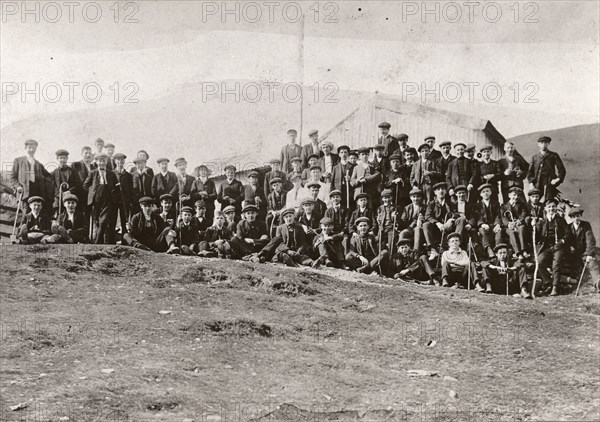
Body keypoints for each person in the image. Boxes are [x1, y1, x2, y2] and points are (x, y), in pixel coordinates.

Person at [533, 198, 570, 296]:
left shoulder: (561, 220)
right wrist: (534, 226)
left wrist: (561, 242)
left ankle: (555, 287)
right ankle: (547, 282)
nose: (551, 209)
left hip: (559, 247)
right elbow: (537, 237)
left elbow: (568, 234)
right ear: (545, 208)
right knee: (539, 261)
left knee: (556, 265)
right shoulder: (542, 222)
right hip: (547, 248)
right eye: (549, 207)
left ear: (556, 207)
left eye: (553, 206)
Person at [83, 153, 119, 244]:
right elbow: (85, 185)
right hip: (96, 199)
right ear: (96, 162)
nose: (102, 163)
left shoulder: (111, 173)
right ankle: (101, 241)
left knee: (103, 221)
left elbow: (116, 185)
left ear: (106, 162)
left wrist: (114, 193)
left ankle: (97, 242)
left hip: (108, 199)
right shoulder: (92, 173)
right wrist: (93, 193)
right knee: (97, 221)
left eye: (103, 161)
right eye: (100, 161)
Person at [422, 182, 463, 259]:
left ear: (446, 191)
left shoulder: (450, 202)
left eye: (443, 189)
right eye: (438, 189)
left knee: (461, 219)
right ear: (435, 192)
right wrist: (437, 223)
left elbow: (456, 213)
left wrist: (451, 219)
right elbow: (428, 216)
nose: (441, 191)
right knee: (425, 224)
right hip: (436, 229)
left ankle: (455, 245)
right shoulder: (432, 204)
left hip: (449, 228)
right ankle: (433, 250)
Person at [9, 139, 53, 210]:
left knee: (37, 215)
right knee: (26, 215)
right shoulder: (18, 161)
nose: (31, 150)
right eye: (29, 148)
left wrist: (44, 185)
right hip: (24, 193)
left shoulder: (38, 164)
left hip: (37, 193)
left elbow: (49, 176)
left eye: (34, 148)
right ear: (25, 148)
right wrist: (17, 187)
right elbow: (12, 177)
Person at [567, 208, 600, 291]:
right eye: (574, 217)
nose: (576, 218)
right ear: (571, 218)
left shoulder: (586, 225)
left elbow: (590, 240)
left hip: (585, 252)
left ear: (580, 216)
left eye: (578, 216)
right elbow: (566, 240)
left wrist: (588, 254)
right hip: (573, 254)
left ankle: (598, 283)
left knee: (592, 264)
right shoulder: (568, 227)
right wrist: (569, 247)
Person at [527, 136, 566, 202]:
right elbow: (530, 172)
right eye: (542, 142)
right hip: (537, 184)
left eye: (546, 142)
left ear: (548, 144)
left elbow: (562, 169)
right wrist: (531, 183)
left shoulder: (553, 155)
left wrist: (557, 179)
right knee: (532, 203)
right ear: (538, 144)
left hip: (549, 184)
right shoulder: (534, 157)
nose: (544, 144)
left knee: (549, 202)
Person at [473, 183, 503, 258]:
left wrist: (497, 224)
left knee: (499, 231)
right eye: (483, 192)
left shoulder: (495, 203)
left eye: (487, 191)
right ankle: (488, 249)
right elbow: (477, 216)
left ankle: (498, 249)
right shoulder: (478, 205)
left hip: (493, 224)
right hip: (484, 225)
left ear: (490, 192)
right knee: (482, 231)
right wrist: (482, 224)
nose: (485, 193)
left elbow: (498, 215)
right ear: (480, 194)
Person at [51, 149, 81, 215]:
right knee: (58, 215)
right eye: (60, 158)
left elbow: (78, 185)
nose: (62, 160)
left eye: (64, 158)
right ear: (57, 159)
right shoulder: (53, 173)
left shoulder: (73, 171)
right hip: (58, 199)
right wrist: (60, 193)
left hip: (70, 198)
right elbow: (52, 187)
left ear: (67, 159)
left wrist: (70, 191)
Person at [501, 186, 528, 257]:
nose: (516, 197)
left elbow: (523, 214)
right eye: (514, 195)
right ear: (509, 195)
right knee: (512, 232)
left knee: (521, 229)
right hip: (509, 226)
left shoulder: (521, 205)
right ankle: (518, 253)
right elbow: (503, 217)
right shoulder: (504, 206)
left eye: (518, 195)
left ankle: (524, 250)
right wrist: (508, 224)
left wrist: (518, 222)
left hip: (518, 224)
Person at [112, 153, 134, 236]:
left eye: (122, 160)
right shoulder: (111, 173)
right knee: (113, 220)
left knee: (124, 220)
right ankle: (113, 240)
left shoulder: (128, 175)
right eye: (118, 159)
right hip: (114, 201)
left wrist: (130, 201)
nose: (120, 161)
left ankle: (125, 240)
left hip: (125, 201)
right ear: (115, 161)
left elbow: (130, 189)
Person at [399, 188, 426, 253]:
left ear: (421, 197)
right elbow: (403, 221)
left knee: (417, 229)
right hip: (410, 228)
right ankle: (400, 251)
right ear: (410, 198)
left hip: (420, 228)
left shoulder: (425, 207)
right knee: (403, 233)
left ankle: (416, 251)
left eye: (418, 197)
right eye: (414, 197)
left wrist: (423, 219)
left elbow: (428, 218)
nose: (416, 199)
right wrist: (397, 218)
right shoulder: (407, 208)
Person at [71, 146, 96, 211]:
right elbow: (71, 181)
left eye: (90, 153)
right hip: (79, 197)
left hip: (90, 198)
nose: (88, 155)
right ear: (82, 154)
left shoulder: (94, 166)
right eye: (86, 153)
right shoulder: (76, 165)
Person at [330, 145, 355, 209]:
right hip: (339, 193)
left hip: (350, 193)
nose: (343, 154)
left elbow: (355, 181)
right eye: (341, 152)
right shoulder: (335, 167)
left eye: (345, 152)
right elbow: (332, 182)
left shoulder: (353, 166)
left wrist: (350, 179)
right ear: (339, 154)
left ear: (348, 154)